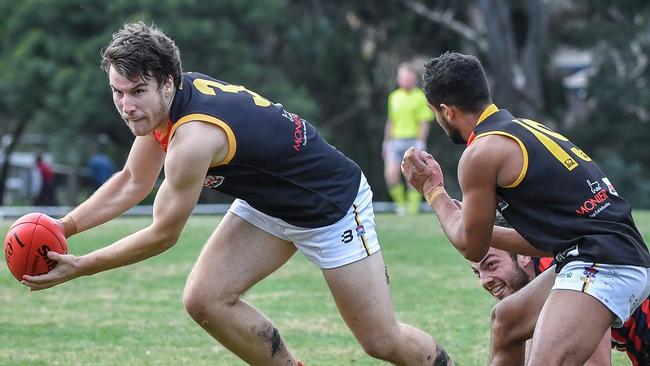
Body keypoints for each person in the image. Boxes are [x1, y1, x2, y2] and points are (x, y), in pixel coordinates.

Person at [21, 22, 453, 366]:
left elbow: (162, 234)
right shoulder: (165, 108)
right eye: (118, 92)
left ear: (168, 83)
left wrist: (82, 266)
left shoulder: (192, 138)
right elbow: (133, 179)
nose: (126, 105)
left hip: (330, 206)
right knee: (204, 299)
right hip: (269, 204)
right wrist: (66, 225)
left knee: (380, 340)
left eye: (137, 92)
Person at [401, 51, 650, 365]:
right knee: (506, 322)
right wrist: (470, 221)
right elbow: (545, 240)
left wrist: (432, 190)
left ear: (446, 112)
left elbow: (472, 247)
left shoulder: (481, 153)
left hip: (603, 262)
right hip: (608, 253)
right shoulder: (524, 129)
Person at [470, 215, 650, 366]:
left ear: (523, 255)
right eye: (478, 273)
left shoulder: (570, 278)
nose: (484, 281)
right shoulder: (542, 284)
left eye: (492, 265)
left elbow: (596, 363)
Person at [383, 62, 434, 215]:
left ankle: (412, 211)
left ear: (413, 79)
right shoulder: (394, 97)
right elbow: (391, 121)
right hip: (395, 141)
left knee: (411, 177)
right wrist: (386, 142)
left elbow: (424, 122)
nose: (405, 80)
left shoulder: (419, 97)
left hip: (412, 141)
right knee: (390, 175)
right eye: (403, 77)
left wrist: (420, 142)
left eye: (408, 77)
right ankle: (401, 207)